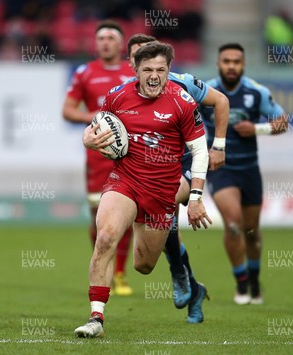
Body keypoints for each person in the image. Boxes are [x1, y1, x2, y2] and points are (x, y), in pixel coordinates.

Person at [74, 42, 212, 338]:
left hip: (162, 191)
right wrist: (88, 139)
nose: (154, 76)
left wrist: (196, 198)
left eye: (160, 70)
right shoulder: (117, 96)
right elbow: (97, 127)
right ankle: (96, 317)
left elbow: (200, 153)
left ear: (168, 70)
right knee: (106, 236)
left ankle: (192, 285)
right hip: (124, 180)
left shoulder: (183, 102)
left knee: (144, 266)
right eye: (147, 69)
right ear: (134, 69)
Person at [125, 34, 228, 320]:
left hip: (183, 164)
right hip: (144, 172)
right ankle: (193, 286)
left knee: (165, 199)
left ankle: (178, 275)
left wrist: (218, 145)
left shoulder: (183, 83)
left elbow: (221, 101)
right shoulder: (124, 93)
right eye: (138, 60)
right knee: (147, 256)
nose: (149, 70)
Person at [201, 43, 289, 305]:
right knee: (233, 222)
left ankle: (253, 278)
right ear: (218, 64)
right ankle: (240, 283)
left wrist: (258, 129)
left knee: (251, 231)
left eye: (236, 62)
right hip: (220, 168)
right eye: (226, 61)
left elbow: (282, 121)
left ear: (243, 64)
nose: (231, 66)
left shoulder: (256, 91)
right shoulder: (204, 91)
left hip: (249, 169)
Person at [62, 20, 135, 296]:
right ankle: (102, 265)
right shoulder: (85, 73)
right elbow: (68, 111)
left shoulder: (134, 72)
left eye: (111, 38)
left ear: (121, 44)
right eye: (100, 38)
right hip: (97, 156)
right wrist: (96, 118)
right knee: (97, 216)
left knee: (126, 215)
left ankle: (119, 273)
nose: (105, 42)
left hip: (129, 156)